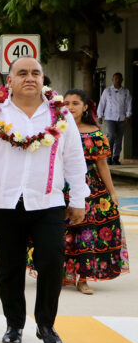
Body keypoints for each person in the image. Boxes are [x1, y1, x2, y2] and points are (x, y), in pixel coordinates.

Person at [0, 57, 88, 343]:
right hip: (5, 202)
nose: (29, 78)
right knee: (9, 266)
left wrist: (78, 198)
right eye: (22, 73)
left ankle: (46, 325)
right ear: (10, 81)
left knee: (52, 263)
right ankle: (14, 324)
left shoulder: (61, 116)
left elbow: (73, 160)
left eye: (35, 73)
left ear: (43, 79)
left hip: (48, 201)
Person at [28, 89, 129, 294]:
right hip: (58, 187)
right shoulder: (53, 129)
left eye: (75, 103)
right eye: (66, 102)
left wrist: (112, 193)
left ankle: (83, 279)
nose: (70, 107)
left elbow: (102, 165)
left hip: (91, 189)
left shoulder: (94, 132)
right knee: (57, 234)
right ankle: (59, 275)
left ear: (85, 107)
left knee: (85, 234)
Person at [97, 72, 132, 165]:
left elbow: (129, 104)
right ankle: (108, 157)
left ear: (122, 80)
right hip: (109, 117)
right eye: (115, 78)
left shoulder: (126, 91)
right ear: (112, 80)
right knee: (111, 136)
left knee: (119, 138)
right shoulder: (107, 91)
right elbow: (102, 103)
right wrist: (100, 115)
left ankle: (116, 158)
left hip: (122, 118)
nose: (117, 80)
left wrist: (128, 115)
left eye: (119, 78)